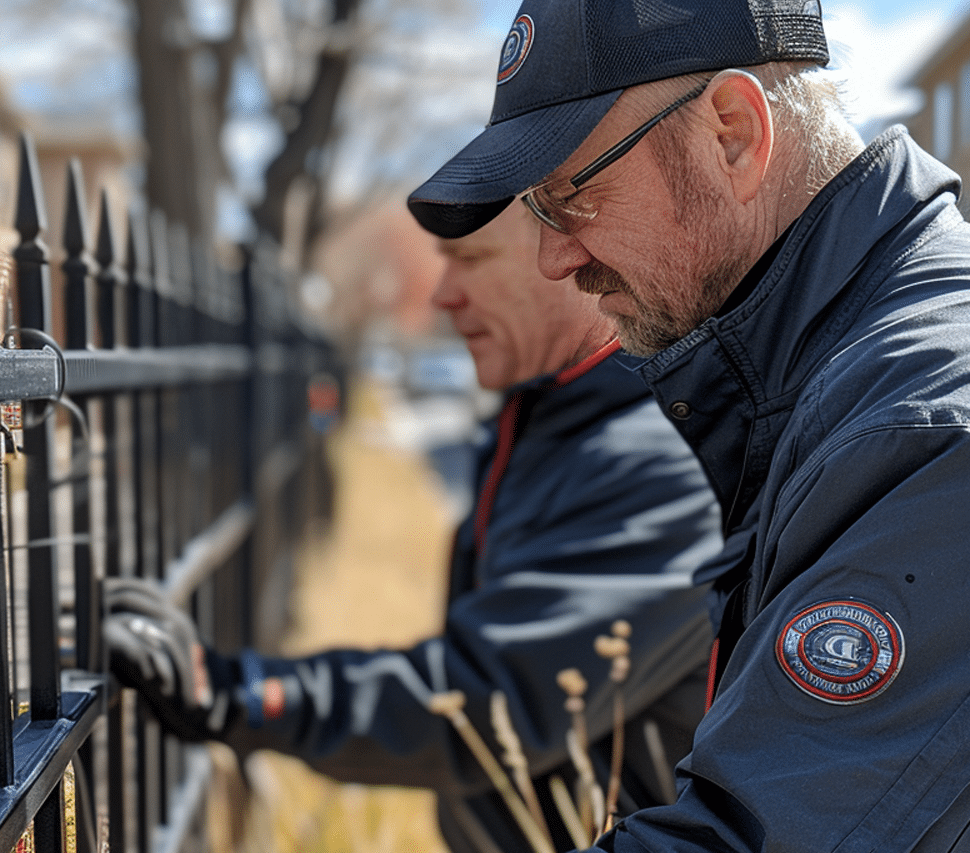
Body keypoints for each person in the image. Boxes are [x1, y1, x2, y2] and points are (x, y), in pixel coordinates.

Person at [407, 0, 970, 850]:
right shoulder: (831, 376)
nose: (555, 259)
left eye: (568, 195)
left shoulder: (923, 423)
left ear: (734, 135)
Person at [105, 201, 723, 853]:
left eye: (472, 259)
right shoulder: (547, 417)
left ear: (574, 263)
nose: (443, 294)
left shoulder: (659, 459)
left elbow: (488, 701)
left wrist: (241, 694)